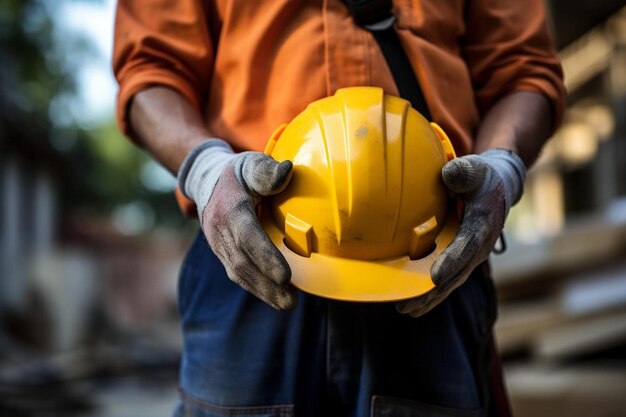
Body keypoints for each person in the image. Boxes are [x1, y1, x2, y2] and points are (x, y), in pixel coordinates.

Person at [113, 1, 565, 416]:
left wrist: (503, 164)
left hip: (433, 262)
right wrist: (206, 170)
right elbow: (151, 68)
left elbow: (522, 72)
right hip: (247, 252)